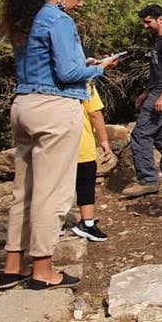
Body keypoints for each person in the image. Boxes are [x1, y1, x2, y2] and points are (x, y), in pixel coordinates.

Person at [0, 0, 115, 290]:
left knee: (26, 189)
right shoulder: (58, 20)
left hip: (24, 105)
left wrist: (84, 64)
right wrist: (99, 68)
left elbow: (51, 65)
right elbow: (67, 74)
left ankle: (13, 266)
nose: (81, 4)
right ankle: (43, 269)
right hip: (54, 109)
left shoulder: (26, 19)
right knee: (53, 191)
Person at [123, 4, 162, 198]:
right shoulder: (160, 42)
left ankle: (148, 180)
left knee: (140, 134)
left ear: (160, 19)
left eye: (148, 22)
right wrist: (145, 92)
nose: (145, 26)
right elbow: (160, 73)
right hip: (158, 90)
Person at [70, 81, 112, 242]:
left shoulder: (48, 81)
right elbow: (94, 113)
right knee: (85, 184)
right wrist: (104, 139)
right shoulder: (84, 84)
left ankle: (52, 226)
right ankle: (87, 223)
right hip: (81, 143)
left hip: (55, 145)